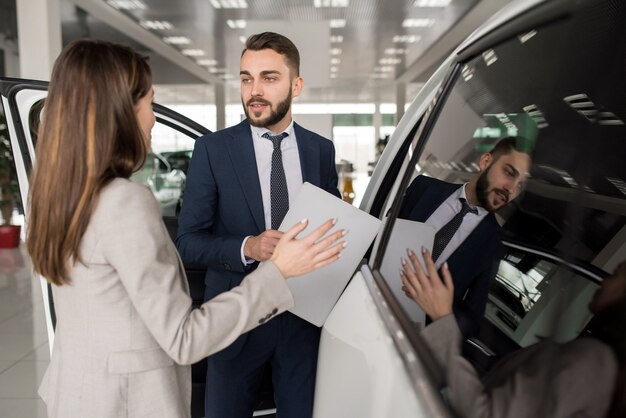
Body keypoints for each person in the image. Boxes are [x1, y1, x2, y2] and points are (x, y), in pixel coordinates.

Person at [25, 39, 345, 418]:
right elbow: (183, 336)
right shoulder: (126, 201)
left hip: (80, 394)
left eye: (268, 78)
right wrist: (272, 266)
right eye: (149, 102)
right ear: (121, 110)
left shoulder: (54, 195)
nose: (153, 118)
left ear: (296, 85)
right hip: (125, 400)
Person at [175, 31, 340, 418]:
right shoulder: (213, 149)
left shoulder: (320, 150)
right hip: (236, 317)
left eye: (268, 78)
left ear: (295, 85)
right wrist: (249, 246)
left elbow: (330, 226)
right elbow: (188, 241)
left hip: (302, 316)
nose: (254, 90)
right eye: (246, 78)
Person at [400, 248, 626, 418]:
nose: (605, 281)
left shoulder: (595, 361)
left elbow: (484, 414)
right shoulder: (604, 364)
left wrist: (442, 317)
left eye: (616, 274)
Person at [398, 137, 532, 336]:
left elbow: (471, 320)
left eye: (520, 185)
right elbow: (379, 239)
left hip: (412, 334)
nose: (511, 189)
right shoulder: (423, 188)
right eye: (509, 173)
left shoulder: (493, 245)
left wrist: (440, 313)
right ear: (485, 161)